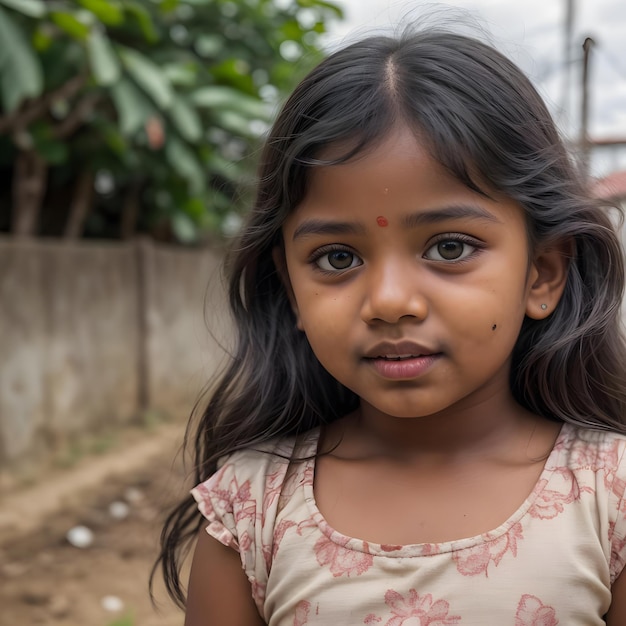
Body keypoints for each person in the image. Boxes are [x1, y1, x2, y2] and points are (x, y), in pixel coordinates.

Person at [153, 28, 626, 625]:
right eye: (337, 259)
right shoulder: (251, 514)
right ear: (292, 287)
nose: (390, 302)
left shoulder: (611, 502)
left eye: (450, 247)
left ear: (542, 273)